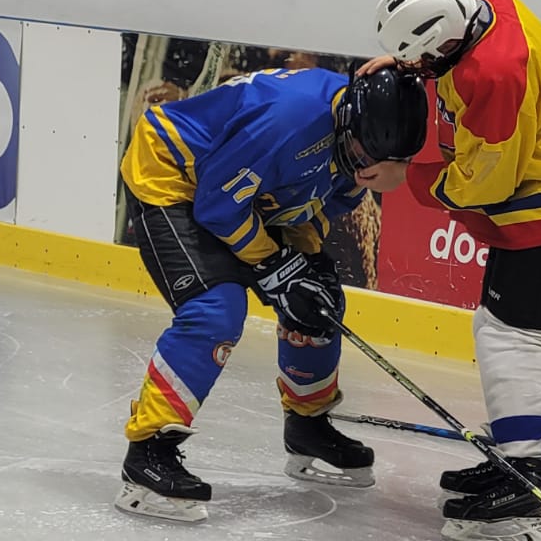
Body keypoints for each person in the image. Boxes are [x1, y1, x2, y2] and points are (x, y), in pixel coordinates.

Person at [361, 0, 541, 541]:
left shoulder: (495, 75)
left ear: (447, 43)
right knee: (496, 326)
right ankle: (515, 457)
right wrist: (406, 59)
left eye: (426, 61)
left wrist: (408, 177)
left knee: (511, 336)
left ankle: (524, 490)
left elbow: (484, 185)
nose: (421, 71)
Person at [113, 65, 429, 523]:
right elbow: (218, 206)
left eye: (373, 163)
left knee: (317, 302)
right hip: (174, 175)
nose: (362, 166)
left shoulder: (361, 145)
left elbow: (313, 204)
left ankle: (307, 426)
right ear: (349, 121)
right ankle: (147, 453)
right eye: (360, 154)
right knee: (216, 310)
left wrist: (304, 268)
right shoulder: (291, 119)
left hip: (241, 187)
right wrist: (276, 267)